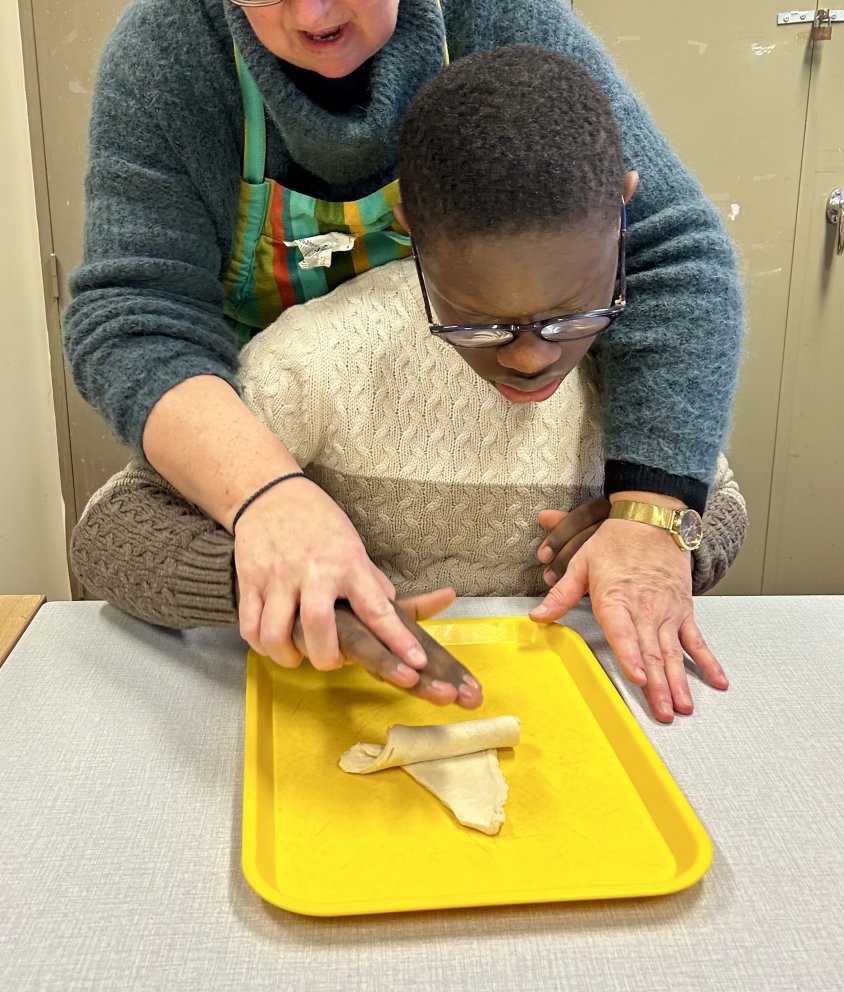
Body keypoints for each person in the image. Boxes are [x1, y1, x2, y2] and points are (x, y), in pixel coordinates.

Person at [65, 0, 743, 710]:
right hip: (273, 441)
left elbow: (669, 251)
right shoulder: (301, 372)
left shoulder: (502, 18)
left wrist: (654, 514)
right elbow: (136, 317)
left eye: (564, 314)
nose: (314, 11)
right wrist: (265, 503)